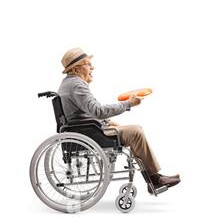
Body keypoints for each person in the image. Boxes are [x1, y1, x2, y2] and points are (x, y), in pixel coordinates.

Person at [58, 47, 180, 194]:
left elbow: (86, 113)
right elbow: (98, 111)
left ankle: (154, 178)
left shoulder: (69, 84)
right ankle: (154, 179)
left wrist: (107, 122)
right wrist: (128, 104)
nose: (92, 67)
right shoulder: (77, 84)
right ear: (77, 68)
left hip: (87, 129)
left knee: (133, 130)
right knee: (135, 131)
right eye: (88, 64)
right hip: (89, 134)